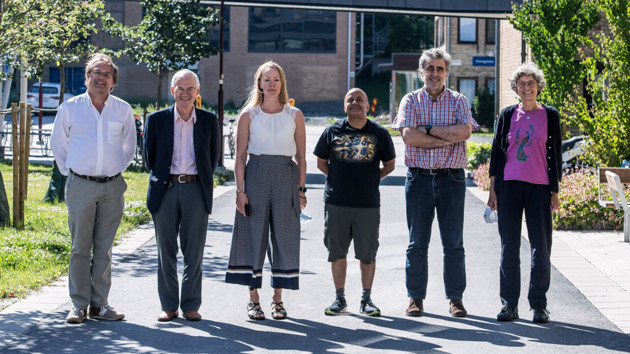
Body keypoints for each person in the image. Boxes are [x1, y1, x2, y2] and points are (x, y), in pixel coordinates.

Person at [392, 48, 479, 318]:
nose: (434, 73)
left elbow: (464, 131)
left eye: (440, 69)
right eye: (429, 68)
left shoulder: (459, 100)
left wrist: (427, 129)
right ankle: (415, 298)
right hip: (418, 178)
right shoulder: (410, 100)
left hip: (452, 180)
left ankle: (455, 299)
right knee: (417, 243)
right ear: (421, 72)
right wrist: (446, 136)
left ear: (447, 73)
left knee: (453, 243)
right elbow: (409, 137)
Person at [51, 53, 135, 324]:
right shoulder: (70, 108)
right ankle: (78, 304)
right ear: (87, 77)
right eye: (96, 72)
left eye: (106, 74)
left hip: (112, 187)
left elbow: (129, 147)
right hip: (80, 186)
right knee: (79, 248)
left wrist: (113, 170)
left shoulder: (122, 109)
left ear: (113, 81)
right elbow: (58, 145)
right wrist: (72, 173)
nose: (100, 77)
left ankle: (100, 305)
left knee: (104, 248)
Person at [225, 61, 307, 320]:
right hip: (256, 174)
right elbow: (239, 157)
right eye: (266, 79)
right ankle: (253, 299)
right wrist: (240, 190)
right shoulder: (249, 115)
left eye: (276, 79)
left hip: (285, 174)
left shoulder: (295, 115)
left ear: (282, 83)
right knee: (254, 236)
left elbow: (302, 157)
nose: (271, 84)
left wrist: (301, 189)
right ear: (258, 83)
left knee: (284, 237)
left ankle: (278, 300)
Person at [487, 62, 562, 324]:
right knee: (509, 246)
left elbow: (556, 155)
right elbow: (496, 152)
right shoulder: (507, 114)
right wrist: (493, 190)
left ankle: (539, 304)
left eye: (531, 83)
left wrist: (555, 190)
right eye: (522, 84)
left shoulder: (550, 115)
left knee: (541, 247)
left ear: (538, 86)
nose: (526, 87)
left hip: (540, 187)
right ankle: (509, 304)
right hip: (509, 186)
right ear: (516, 88)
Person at [144, 69, 220, 322]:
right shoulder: (156, 120)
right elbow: (150, 158)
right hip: (165, 190)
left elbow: (213, 156)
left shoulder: (209, 120)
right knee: (165, 250)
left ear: (197, 92)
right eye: (180, 88)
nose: (185, 93)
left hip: (196, 189)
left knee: (194, 251)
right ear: (172, 90)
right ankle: (168, 306)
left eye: (190, 89)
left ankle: (190, 305)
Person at [314, 88, 396, 317]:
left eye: (360, 99)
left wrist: (371, 179)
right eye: (350, 99)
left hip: (367, 204)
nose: (355, 103)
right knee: (337, 253)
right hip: (336, 202)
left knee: (367, 254)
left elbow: (389, 165)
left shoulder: (379, 133)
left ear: (367, 106)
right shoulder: (332, 131)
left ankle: (366, 299)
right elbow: (321, 162)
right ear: (344, 106)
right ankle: (339, 299)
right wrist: (337, 180)